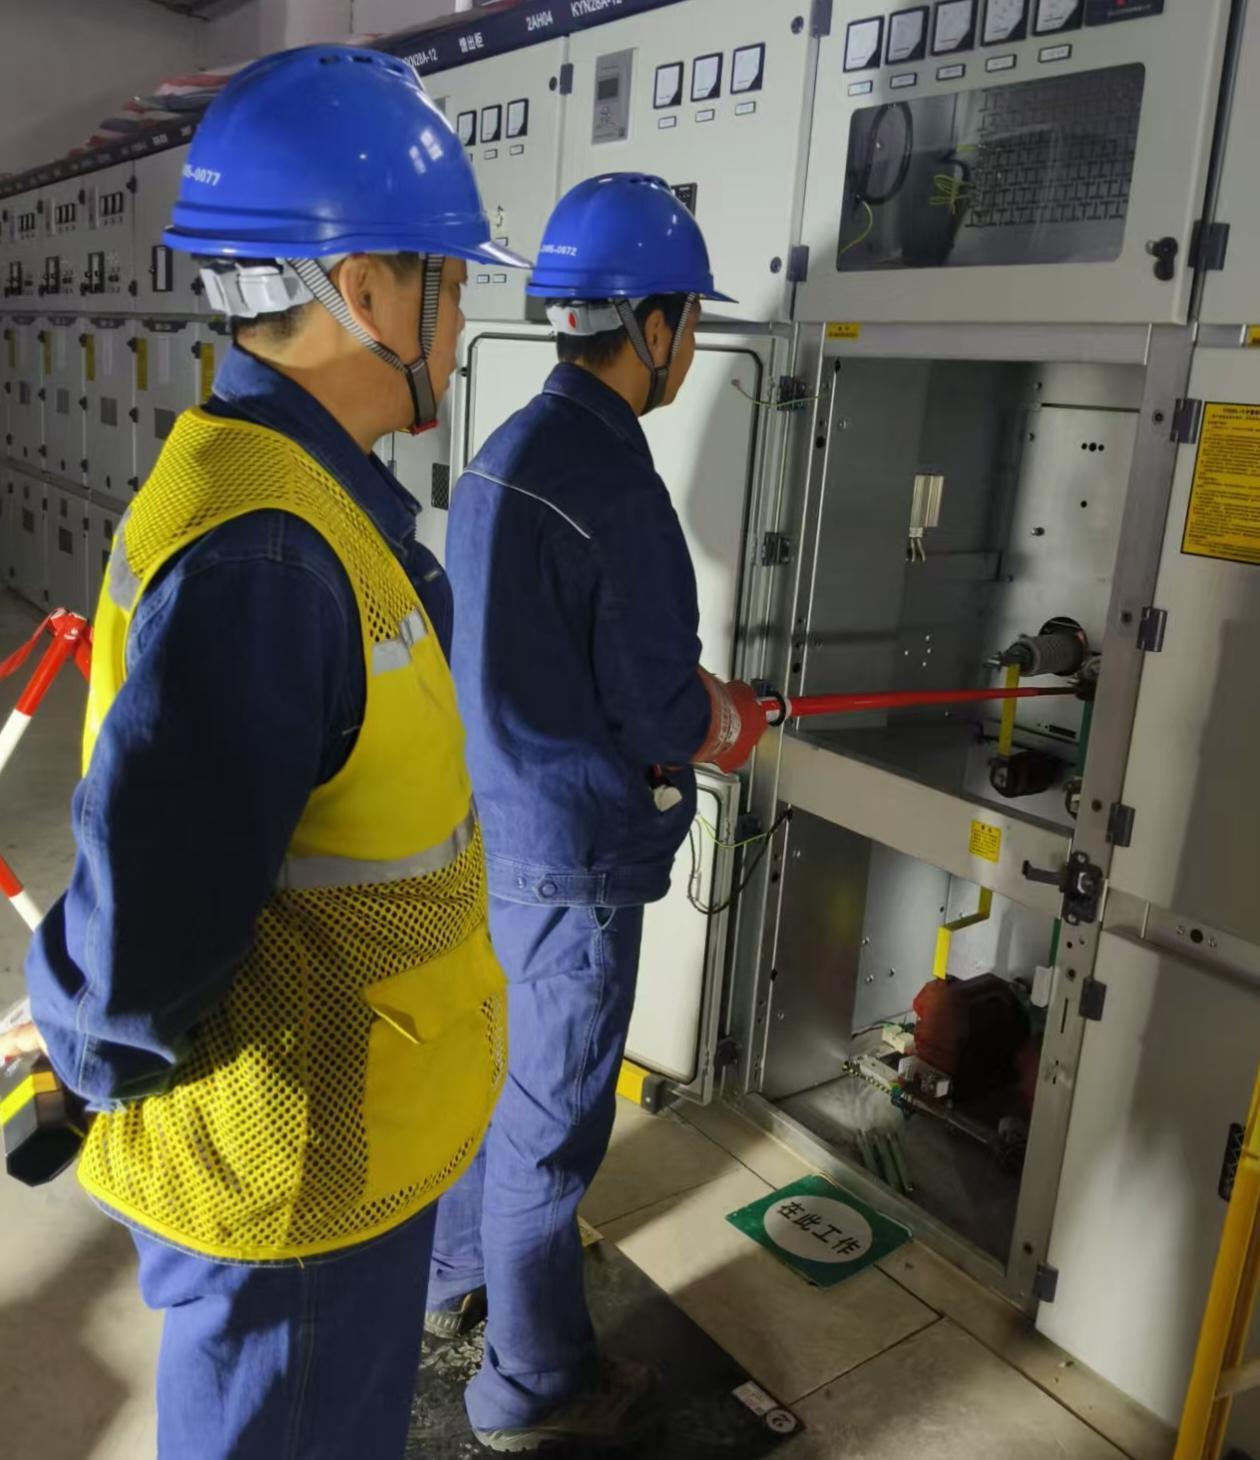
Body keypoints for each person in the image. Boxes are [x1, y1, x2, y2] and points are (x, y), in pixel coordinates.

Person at [0, 46, 529, 1460]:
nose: (463, 317)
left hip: (344, 1140)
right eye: (448, 277)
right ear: (367, 292)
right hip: (297, 1172)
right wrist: (75, 1044)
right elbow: (153, 911)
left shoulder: (297, 502)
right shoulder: (268, 557)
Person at [428, 172, 771, 1453]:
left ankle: (448, 1280)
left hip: (490, 834)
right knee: (550, 1131)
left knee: (491, 1093)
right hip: (569, 859)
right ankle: (531, 1387)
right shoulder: (616, 485)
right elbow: (655, 705)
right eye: (691, 319)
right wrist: (725, 720)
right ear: (654, 324)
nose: (691, 344)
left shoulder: (506, 452)